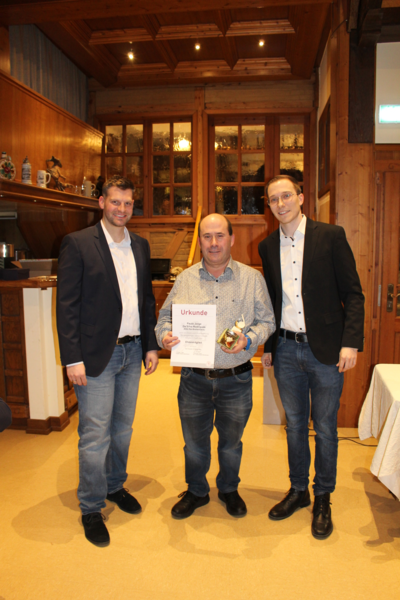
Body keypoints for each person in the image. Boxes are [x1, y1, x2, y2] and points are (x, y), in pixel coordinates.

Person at [258, 175, 364, 540]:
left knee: (327, 427)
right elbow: (273, 301)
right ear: (269, 205)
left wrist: (350, 343)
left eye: (287, 195)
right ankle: (299, 490)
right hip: (286, 349)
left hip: (327, 351)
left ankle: (323, 497)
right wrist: (269, 347)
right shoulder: (267, 246)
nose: (281, 203)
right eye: (274, 199)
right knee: (294, 426)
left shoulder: (330, 236)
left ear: (301, 198)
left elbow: (353, 293)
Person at [57, 175, 159, 547]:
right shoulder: (78, 243)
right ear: (101, 202)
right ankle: (91, 506)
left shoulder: (140, 245)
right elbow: (67, 306)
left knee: (122, 428)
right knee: (95, 433)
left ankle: (115, 485)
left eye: (128, 203)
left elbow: (145, 299)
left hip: (133, 352)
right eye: (115, 201)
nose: (122, 209)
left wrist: (150, 345)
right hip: (96, 355)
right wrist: (72, 359)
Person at [155, 213, 275, 519]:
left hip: (236, 380)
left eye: (220, 235)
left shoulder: (252, 279)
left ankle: (228, 489)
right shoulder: (185, 279)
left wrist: (248, 340)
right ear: (200, 241)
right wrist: (164, 335)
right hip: (193, 380)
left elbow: (267, 322)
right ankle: (197, 491)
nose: (213, 243)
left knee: (231, 444)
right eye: (207, 236)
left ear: (231, 239)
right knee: (194, 444)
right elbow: (165, 317)